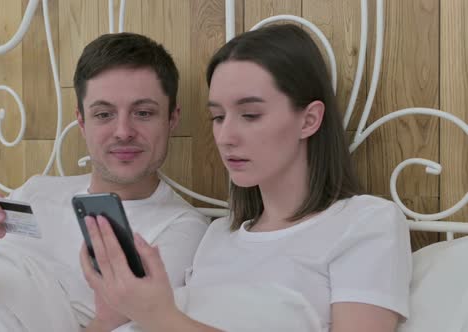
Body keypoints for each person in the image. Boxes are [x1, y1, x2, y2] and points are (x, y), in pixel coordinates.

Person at [80, 24, 412, 332]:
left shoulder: (365, 223)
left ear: (309, 120)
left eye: (250, 115)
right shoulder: (217, 235)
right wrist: (111, 317)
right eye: (218, 117)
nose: (225, 136)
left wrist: (162, 316)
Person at [0, 33, 209, 331]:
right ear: (82, 122)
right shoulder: (37, 188)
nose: (123, 131)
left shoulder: (181, 228)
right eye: (103, 114)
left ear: (172, 118)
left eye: (144, 112)